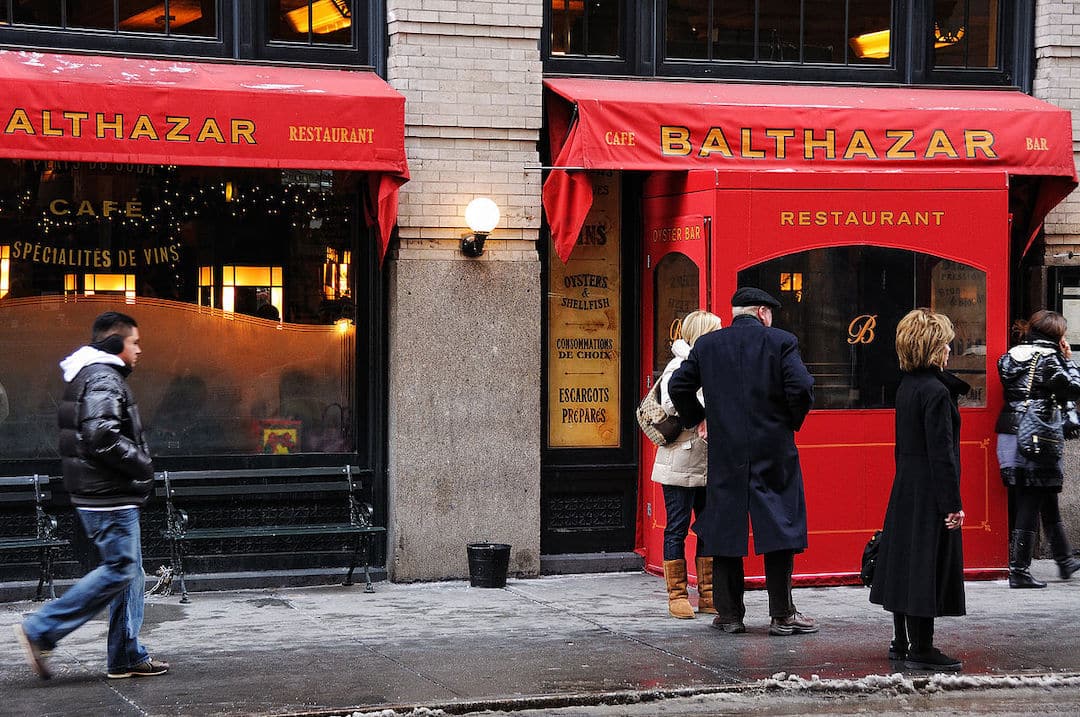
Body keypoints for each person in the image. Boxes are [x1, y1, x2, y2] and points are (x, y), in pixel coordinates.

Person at [13, 312, 168, 681]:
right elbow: (102, 435)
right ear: (116, 344)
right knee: (119, 570)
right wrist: (142, 463)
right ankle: (41, 630)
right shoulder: (102, 377)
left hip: (104, 492)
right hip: (108, 495)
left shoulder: (94, 374)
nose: (139, 349)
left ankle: (126, 655)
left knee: (129, 573)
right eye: (134, 342)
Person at [668, 287, 816, 636]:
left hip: (726, 449)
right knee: (780, 524)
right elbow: (802, 388)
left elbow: (679, 386)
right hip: (773, 448)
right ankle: (782, 614)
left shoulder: (708, 345)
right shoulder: (781, 342)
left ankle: (730, 615)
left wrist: (701, 418)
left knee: (724, 528)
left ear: (736, 313)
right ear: (763, 312)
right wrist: (787, 423)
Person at [869, 308, 966, 672]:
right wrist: (953, 503)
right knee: (926, 562)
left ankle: (901, 640)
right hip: (929, 488)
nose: (949, 350)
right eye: (945, 344)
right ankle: (922, 647)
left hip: (906, 483)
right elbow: (942, 454)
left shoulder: (908, 386)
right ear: (933, 347)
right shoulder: (937, 392)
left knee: (905, 560)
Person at [994, 309, 1080, 588]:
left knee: (1042, 497)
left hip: (1010, 434)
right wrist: (1069, 360)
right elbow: (1074, 388)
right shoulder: (1050, 360)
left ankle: (1064, 560)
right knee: (1031, 500)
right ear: (1056, 335)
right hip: (1037, 437)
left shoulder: (1011, 355)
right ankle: (1018, 570)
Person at [652, 310, 723, 619]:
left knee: (708, 528)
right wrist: (705, 408)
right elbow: (669, 402)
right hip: (680, 457)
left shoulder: (713, 362)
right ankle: (677, 594)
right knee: (677, 527)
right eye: (716, 330)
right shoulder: (679, 364)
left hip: (708, 458)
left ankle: (708, 593)